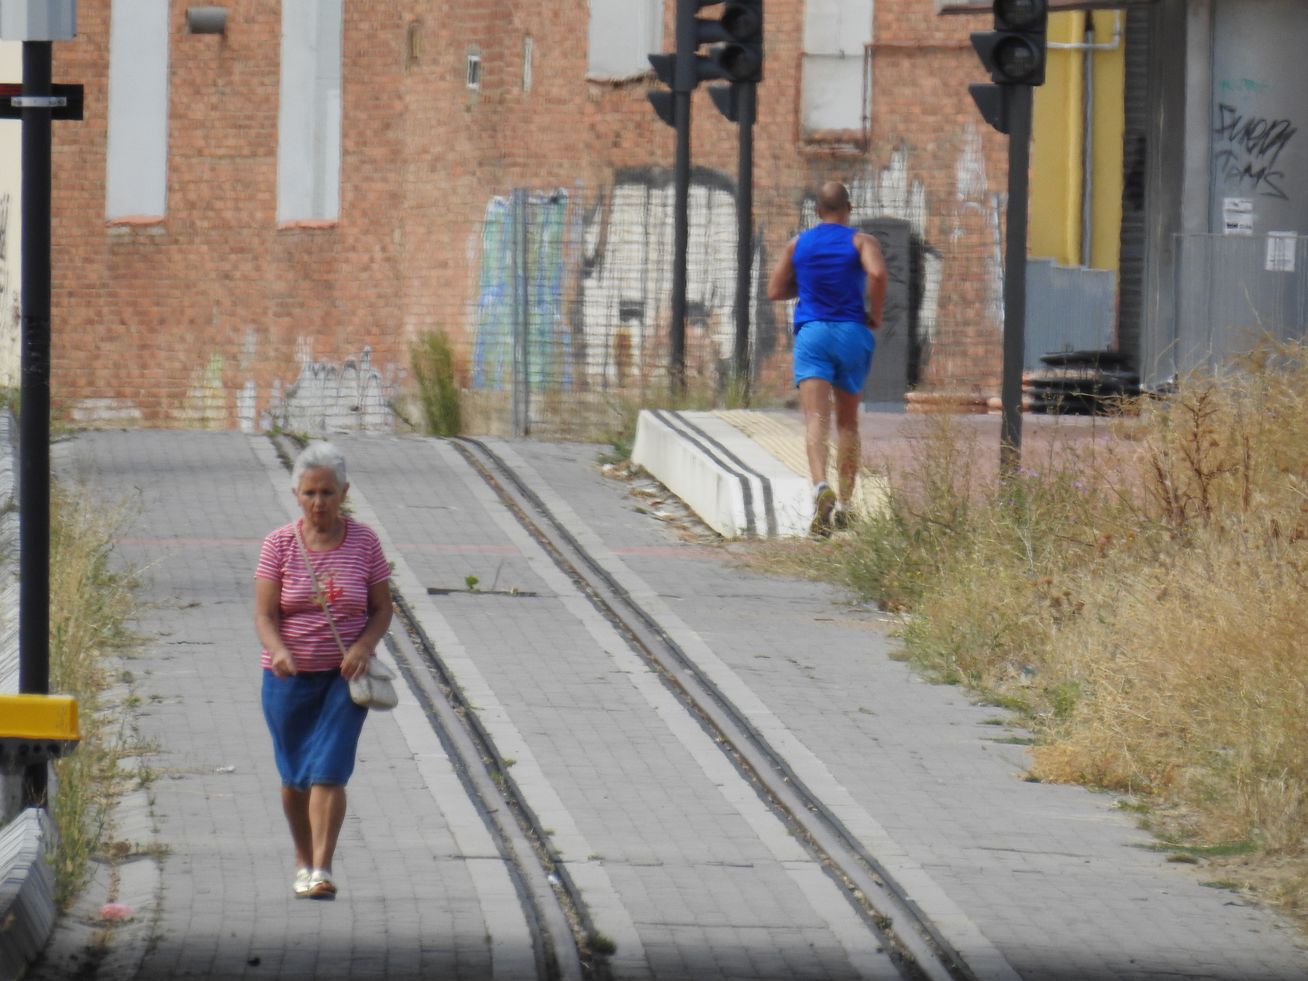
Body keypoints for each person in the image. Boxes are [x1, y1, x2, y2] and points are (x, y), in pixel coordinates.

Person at [254, 441, 393, 900]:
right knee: (295, 776)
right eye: (311, 493)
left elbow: (381, 608)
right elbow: (265, 614)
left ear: (344, 492)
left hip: (343, 678)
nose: (319, 503)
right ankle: (301, 857)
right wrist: (277, 651)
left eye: (328, 493)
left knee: (329, 770)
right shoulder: (278, 544)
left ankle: (322, 867)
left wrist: (364, 646)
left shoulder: (365, 542)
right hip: (288, 680)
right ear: (296, 493)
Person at [766, 181, 887, 535]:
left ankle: (820, 486)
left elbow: (774, 290)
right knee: (848, 423)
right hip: (851, 332)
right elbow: (878, 273)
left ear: (817, 211)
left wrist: (805, 288)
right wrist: (874, 312)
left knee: (816, 419)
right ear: (848, 208)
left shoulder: (798, 244)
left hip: (813, 333)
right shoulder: (861, 241)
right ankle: (847, 505)